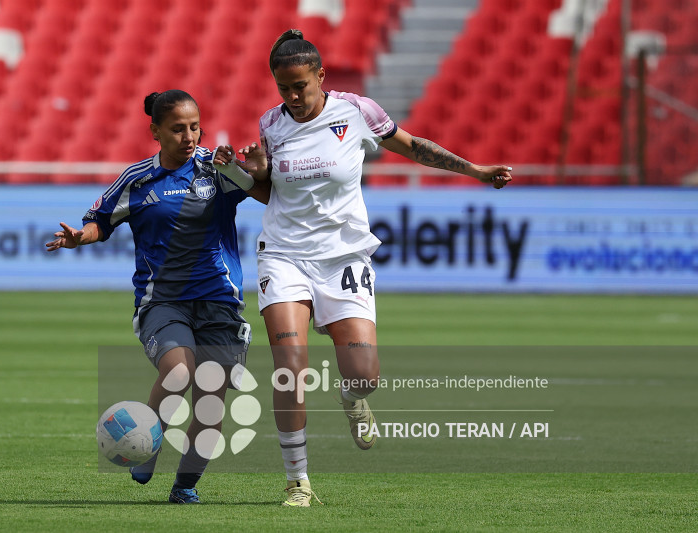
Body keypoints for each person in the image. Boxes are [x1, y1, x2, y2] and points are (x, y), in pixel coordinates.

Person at [228, 29, 512, 507]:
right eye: (284, 88)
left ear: (321, 76)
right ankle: (298, 481)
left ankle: (352, 395)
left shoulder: (357, 112)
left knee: (364, 374)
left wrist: (476, 170)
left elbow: (414, 146)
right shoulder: (271, 124)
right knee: (290, 367)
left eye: (301, 85)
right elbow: (270, 192)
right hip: (283, 254)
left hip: (343, 257)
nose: (293, 97)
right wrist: (242, 172)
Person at [45, 89, 269, 504]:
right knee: (179, 373)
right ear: (155, 132)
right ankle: (148, 443)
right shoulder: (138, 179)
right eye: (178, 129)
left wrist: (253, 169)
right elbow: (100, 222)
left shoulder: (215, 169)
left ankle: (185, 486)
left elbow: (264, 191)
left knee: (209, 402)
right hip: (162, 302)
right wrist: (80, 238)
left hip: (220, 302)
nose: (190, 136)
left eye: (195, 127)